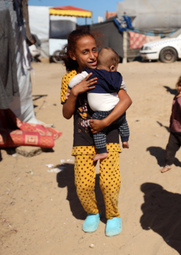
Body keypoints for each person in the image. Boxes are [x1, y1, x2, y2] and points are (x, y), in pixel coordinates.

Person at [60, 29, 132, 237]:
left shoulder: (107, 74)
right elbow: (66, 114)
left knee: (109, 182)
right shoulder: (69, 79)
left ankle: (113, 215)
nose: (92, 55)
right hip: (82, 138)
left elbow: (126, 100)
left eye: (94, 50)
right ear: (74, 55)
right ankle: (92, 212)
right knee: (83, 184)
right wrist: (75, 92)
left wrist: (105, 122)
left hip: (108, 133)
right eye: (85, 52)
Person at [67, 47, 130, 162]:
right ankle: (125, 139)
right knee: (122, 121)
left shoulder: (90, 73)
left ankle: (102, 151)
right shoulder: (117, 76)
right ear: (112, 67)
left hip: (102, 113)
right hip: (116, 109)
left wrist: (70, 90)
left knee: (97, 126)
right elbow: (124, 89)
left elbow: (72, 81)